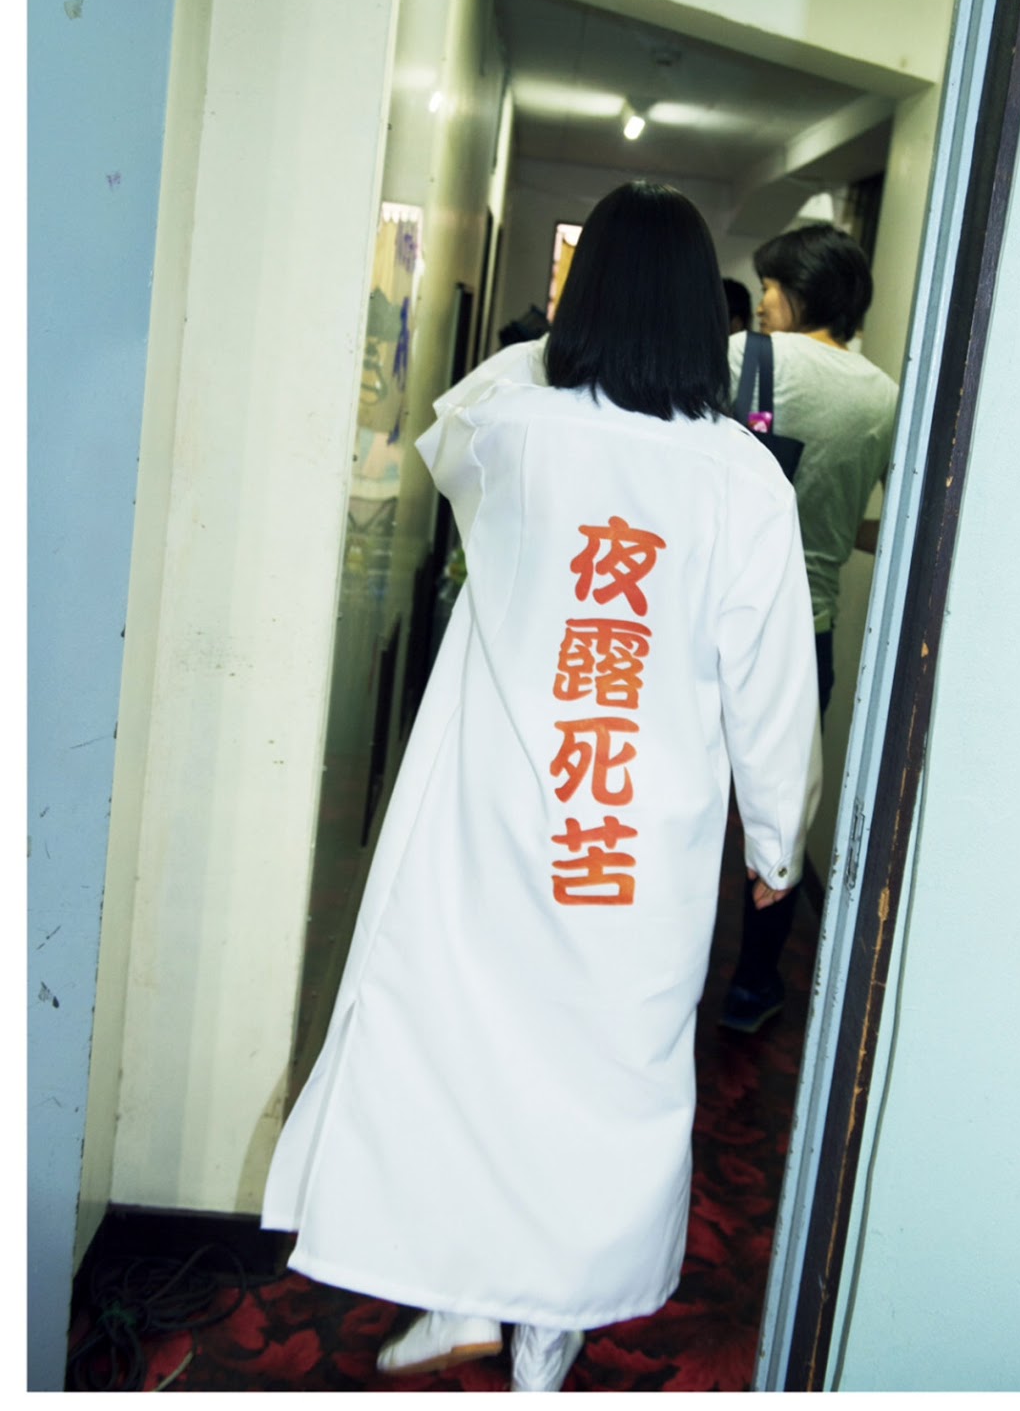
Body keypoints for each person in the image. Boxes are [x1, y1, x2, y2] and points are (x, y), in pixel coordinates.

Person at [261, 181, 822, 1391]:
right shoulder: (743, 481)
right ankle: (524, 1328)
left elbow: (465, 409)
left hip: (498, 822)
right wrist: (776, 842)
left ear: (584, 297)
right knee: (603, 1078)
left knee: (476, 1054)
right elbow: (772, 683)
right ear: (707, 318)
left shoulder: (510, 431)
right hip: (637, 843)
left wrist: (561, 349)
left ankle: (484, 1299)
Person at [720, 220, 898, 1035]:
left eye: (769, 285)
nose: (762, 301)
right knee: (781, 809)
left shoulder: (741, 359)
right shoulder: (883, 395)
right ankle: (754, 985)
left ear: (798, 291)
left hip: (718, 620)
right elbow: (877, 521)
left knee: (693, 790)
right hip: (806, 636)